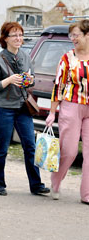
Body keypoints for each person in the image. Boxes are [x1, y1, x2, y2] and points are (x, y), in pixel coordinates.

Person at [0, 21, 50, 196]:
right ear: (5, 39)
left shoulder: (25, 56)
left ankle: (36, 185)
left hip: (23, 107)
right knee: (2, 147)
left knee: (30, 146)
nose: (18, 38)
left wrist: (29, 80)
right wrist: (8, 80)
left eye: (20, 35)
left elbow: (32, 78)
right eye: (14, 35)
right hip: (3, 109)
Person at [46, 19, 89, 204]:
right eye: (71, 35)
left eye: (76, 35)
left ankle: (86, 194)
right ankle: (55, 182)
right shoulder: (67, 58)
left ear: (87, 35)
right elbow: (58, 86)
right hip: (71, 106)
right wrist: (52, 112)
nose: (73, 38)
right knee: (69, 151)